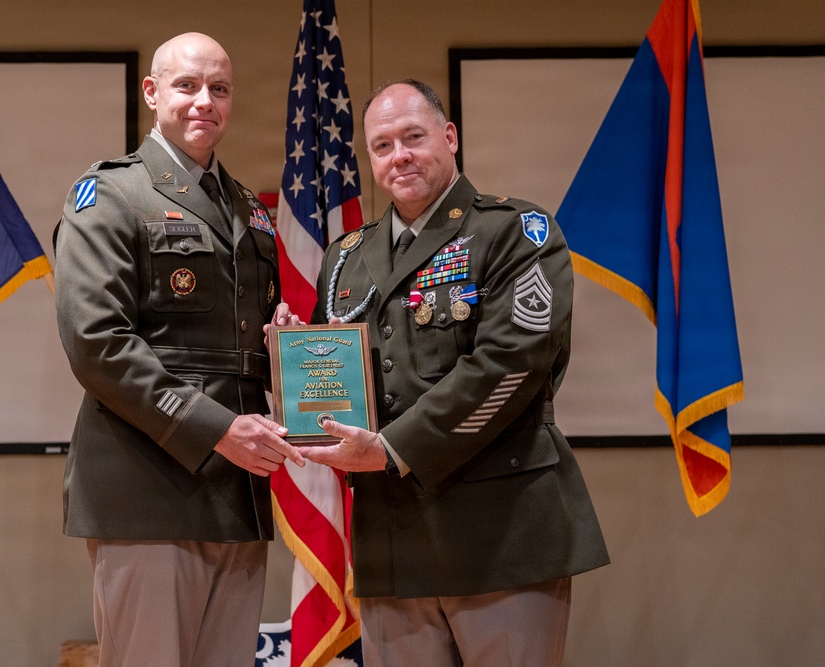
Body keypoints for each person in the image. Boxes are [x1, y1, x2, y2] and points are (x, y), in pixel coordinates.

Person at [298, 79, 609, 666]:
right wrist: (286, 352)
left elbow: (511, 364)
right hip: (392, 540)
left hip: (501, 534)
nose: (401, 156)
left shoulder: (513, 233)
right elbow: (333, 382)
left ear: (450, 137)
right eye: (383, 146)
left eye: (414, 137)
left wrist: (391, 447)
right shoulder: (346, 259)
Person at [54, 32, 305, 667]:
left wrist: (288, 347)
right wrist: (218, 431)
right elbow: (97, 344)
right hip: (150, 489)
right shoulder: (111, 194)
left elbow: (246, 344)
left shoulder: (248, 209)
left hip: (238, 491)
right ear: (152, 93)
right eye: (187, 86)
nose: (204, 102)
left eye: (219, 89)